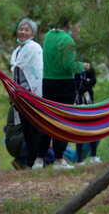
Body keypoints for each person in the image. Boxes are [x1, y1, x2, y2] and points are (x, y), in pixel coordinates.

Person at [35, 17, 88, 170]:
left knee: (47, 121)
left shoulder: (49, 36)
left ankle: (39, 159)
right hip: (64, 84)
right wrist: (83, 66)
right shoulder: (67, 39)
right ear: (69, 23)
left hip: (47, 83)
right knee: (62, 121)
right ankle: (59, 159)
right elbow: (69, 66)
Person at [8, 18, 43, 169]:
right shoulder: (17, 51)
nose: (22, 32)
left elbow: (35, 71)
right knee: (26, 129)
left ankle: (37, 160)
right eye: (21, 29)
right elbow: (15, 70)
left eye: (26, 30)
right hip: (20, 96)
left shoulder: (33, 47)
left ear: (32, 34)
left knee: (35, 128)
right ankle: (29, 160)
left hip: (32, 94)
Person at [74, 66, 102, 164]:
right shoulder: (75, 69)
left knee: (93, 129)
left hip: (90, 105)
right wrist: (86, 82)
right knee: (79, 131)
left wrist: (86, 82)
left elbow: (93, 81)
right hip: (78, 106)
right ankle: (79, 159)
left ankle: (93, 155)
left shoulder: (90, 67)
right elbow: (78, 87)